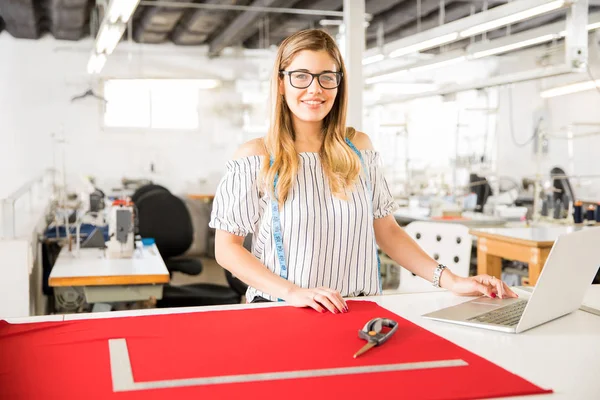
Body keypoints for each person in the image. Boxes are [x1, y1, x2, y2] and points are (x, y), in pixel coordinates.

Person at [209, 29, 517, 314]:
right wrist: (292, 292)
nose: (315, 89)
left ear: (338, 83)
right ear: (281, 82)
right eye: (301, 76)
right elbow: (227, 249)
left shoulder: (359, 149)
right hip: (285, 310)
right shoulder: (256, 157)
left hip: (356, 311)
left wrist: (451, 280)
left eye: (326, 77)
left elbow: (388, 231)